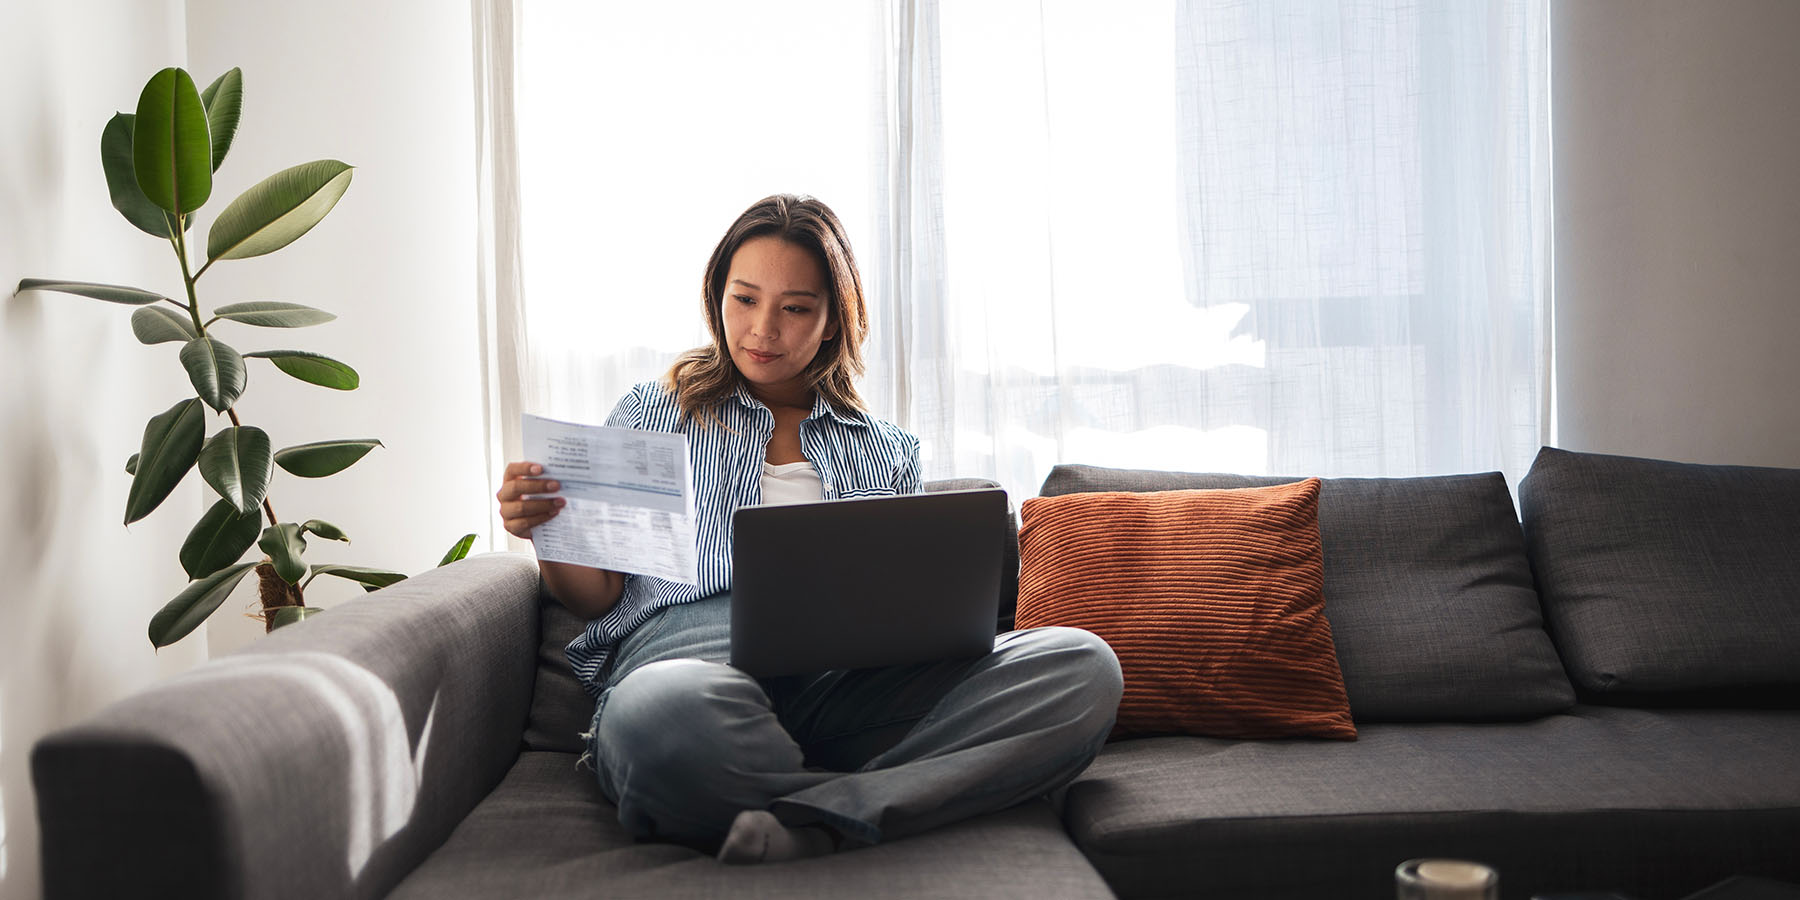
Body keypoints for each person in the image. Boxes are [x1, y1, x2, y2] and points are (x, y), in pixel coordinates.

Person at [495, 193, 1122, 864]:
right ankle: (882, 798)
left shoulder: (886, 449)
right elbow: (596, 597)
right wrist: (547, 532)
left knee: (1083, 667)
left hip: (851, 689)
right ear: (717, 299)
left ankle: (820, 820)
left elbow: (908, 607)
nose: (763, 330)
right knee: (659, 716)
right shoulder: (656, 411)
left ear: (831, 321)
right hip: (694, 674)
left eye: (795, 308)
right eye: (744, 300)